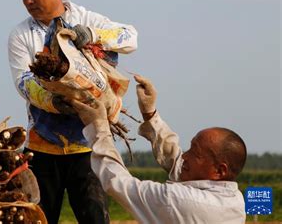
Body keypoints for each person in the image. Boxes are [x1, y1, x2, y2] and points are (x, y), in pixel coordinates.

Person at [8, 0, 138, 224]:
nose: (28, 1)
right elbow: (23, 82)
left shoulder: (86, 19)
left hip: (89, 145)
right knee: (37, 218)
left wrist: (93, 35)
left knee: (95, 217)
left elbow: (130, 37)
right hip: (41, 147)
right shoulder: (21, 35)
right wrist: (54, 101)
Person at [70, 74, 247, 224]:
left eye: (196, 153)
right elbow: (177, 162)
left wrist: (98, 128)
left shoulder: (181, 201)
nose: (185, 156)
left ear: (219, 170)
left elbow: (119, 183)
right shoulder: (233, 200)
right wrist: (151, 114)